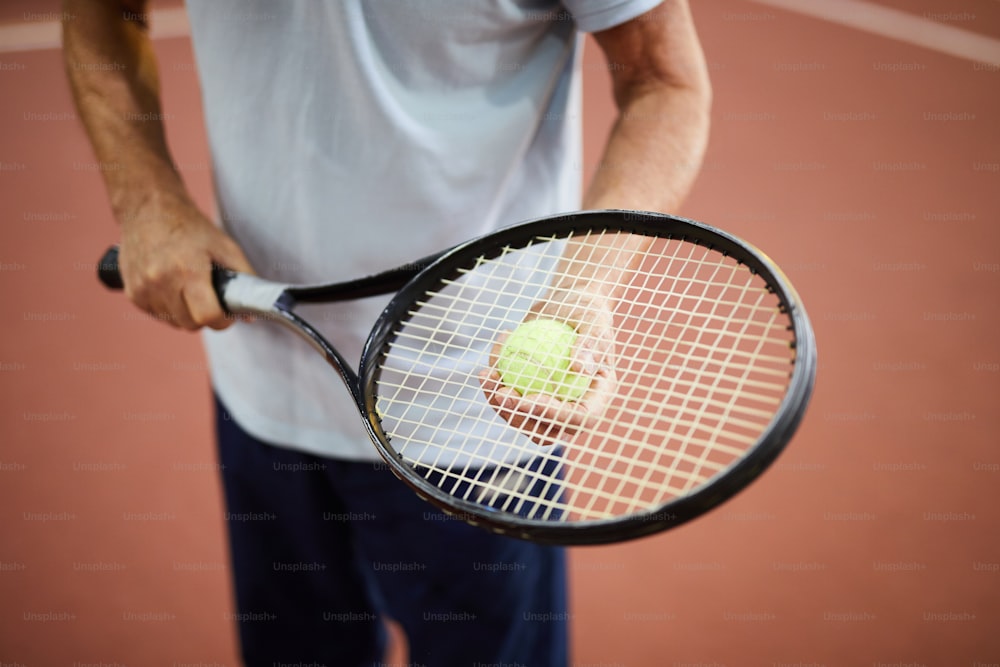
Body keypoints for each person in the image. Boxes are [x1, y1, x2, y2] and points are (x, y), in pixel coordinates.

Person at [63, 0, 711, 664]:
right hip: (261, 381)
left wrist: (582, 288)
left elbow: (665, 81)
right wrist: (145, 196)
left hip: (478, 410)